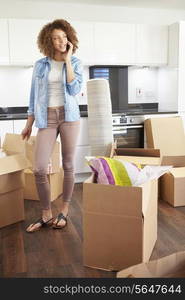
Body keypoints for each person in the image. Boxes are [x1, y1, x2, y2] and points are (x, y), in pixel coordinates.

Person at [21, 19, 83, 233]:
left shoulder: (75, 62)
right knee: (39, 168)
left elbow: (74, 91)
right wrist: (29, 123)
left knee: (68, 165)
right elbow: (33, 96)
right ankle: (46, 212)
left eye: (64, 37)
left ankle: (64, 210)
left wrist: (67, 61)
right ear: (48, 41)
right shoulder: (40, 65)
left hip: (69, 116)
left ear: (69, 39)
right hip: (46, 117)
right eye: (56, 38)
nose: (61, 41)